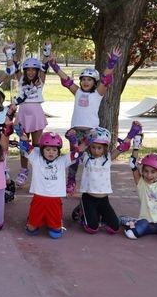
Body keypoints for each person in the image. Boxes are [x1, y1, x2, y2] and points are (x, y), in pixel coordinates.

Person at [47, 44, 121, 194]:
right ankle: (71, 181)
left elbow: (106, 79)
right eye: (83, 79)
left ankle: (91, 183)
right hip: (76, 131)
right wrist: (55, 66)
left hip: (91, 133)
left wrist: (111, 63)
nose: (85, 82)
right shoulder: (78, 92)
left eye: (89, 80)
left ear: (95, 82)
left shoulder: (98, 94)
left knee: (91, 160)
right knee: (74, 157)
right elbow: (66, 80)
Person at [20, 130, 78, 238]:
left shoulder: (62, 161)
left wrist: (73, 141)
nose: (51, 152)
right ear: (42, 150)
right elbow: (25, 146)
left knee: (55, 233)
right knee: (31, 230)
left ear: (58, 151)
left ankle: (53, 221)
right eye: (47, 149)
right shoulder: (36, 158)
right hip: (39, 198)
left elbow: (76, 154)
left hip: (54, 200)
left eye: (54, 150)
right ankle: (35, 220)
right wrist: (22, 135)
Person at [71, 127, 121, 234]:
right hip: (88, 198)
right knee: (92, 228)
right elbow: (76, 152)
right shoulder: (86, 157)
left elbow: (122, 148)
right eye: (93, 147)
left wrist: (132, 134)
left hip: (103, 199)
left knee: (115, 228)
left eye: (99, 148)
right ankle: (81, 211)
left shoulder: (108, 159)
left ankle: (97, 213)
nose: (96, 150)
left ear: (105, 148)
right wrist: (73, 139)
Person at [13, 56, 48, 188]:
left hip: (36, 115)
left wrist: (46, 52)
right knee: (23, 145)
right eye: (28, 70)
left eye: (34, 70)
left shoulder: (40, 81)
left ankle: (38, 172)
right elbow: (15, 68)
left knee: (37, 145)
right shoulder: (21, 80)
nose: (31, 72)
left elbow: (44, 67)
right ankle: (24, 170)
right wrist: (11, 52)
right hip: (23, 114)